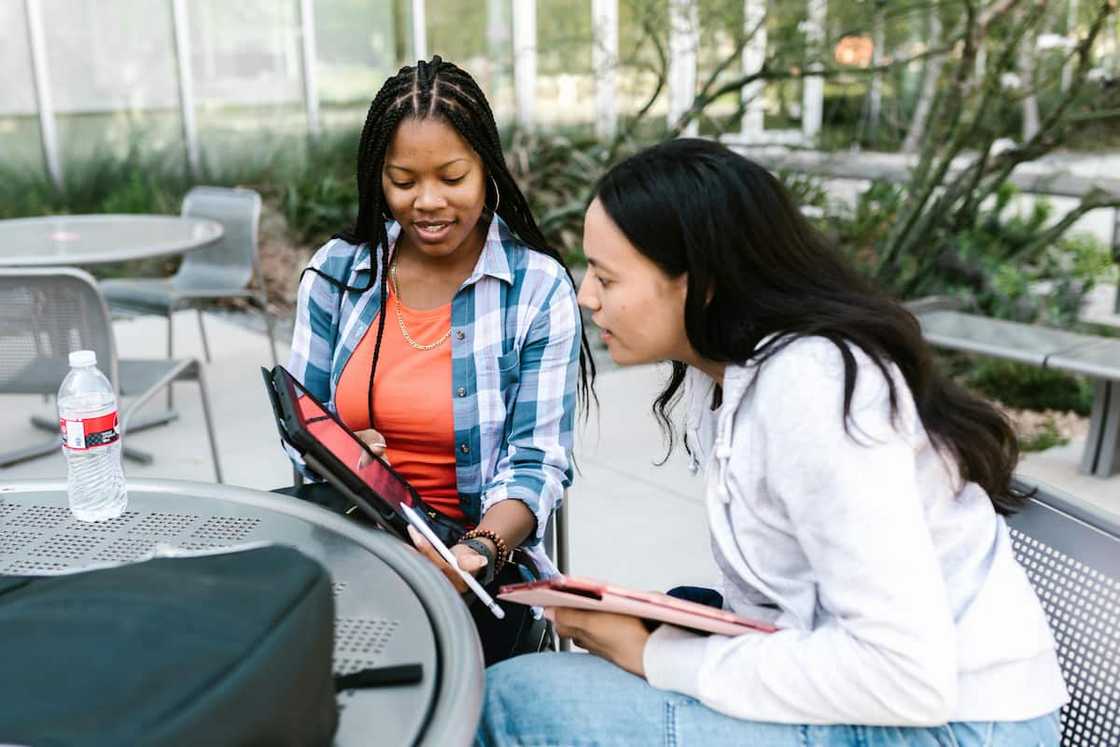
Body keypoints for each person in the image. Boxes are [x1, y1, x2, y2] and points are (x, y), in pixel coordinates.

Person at [477, 139, 1067, 745]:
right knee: (647, 625)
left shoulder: (812, 388)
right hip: (897, 704)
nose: (585, 295)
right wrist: (666, 627)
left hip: (955, 726)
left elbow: (905, 675)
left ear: (700, 283)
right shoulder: (733, 380)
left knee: (515, 701)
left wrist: (660, 658)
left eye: (606, 275)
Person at [286, 57, 593, 664]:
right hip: (353, 542)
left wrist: (476, 551)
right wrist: (340, 454)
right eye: (403, 181)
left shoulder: (535, 289)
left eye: (452, 177)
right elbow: (302, 422)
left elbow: (537, 462)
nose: (427, 202)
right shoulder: (338, 275)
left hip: (476, 562)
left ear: (488, 171)